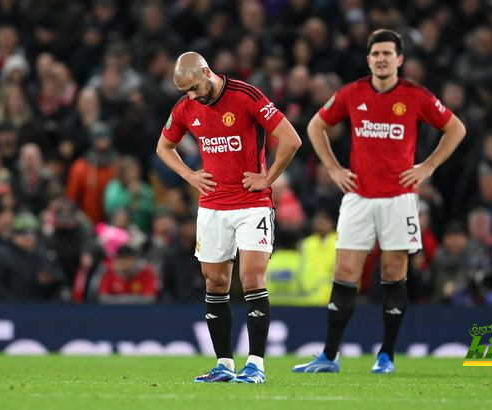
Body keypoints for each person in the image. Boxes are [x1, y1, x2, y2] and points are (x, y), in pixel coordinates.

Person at [293, 29, 465, 374]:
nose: (382, 59)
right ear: (368, 59)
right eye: (376, 54)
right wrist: (333, 168)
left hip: (399, 199)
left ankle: (386, 355)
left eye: (388, 53)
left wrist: (427, 166)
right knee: (344, 273)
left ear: (399, 59)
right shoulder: (352, 93)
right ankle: (329, 356)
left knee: (393, 273)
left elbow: (456, 128)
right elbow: (315, 126)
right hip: (358, 197)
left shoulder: (415, 96)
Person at [156, 52, 301, 383]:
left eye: (193, 87)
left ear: (207, 72)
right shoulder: (186, 107)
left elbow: (291, 140)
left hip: (252, 203)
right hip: (212, 207)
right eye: (184, 91)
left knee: (252, 279)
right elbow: (164, 147)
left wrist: (269, 178)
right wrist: (190, 176)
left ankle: (256, 366)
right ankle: (223, 364)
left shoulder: (245, 95)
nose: (191, 96)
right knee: (215, 281)